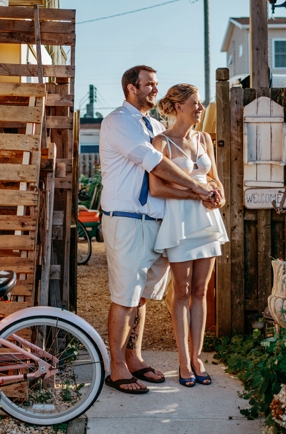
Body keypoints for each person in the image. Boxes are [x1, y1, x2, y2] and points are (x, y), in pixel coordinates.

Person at [99, 66, 218, 394]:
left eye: (156, 85)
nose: (155, 90)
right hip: (128, 218)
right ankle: (117, 367)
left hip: (157, 221)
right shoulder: (119, 122)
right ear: (130, 88)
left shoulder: (154, 125)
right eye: (148, 84)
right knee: (124, 296)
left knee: (143, 297)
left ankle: (134, 357)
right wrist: (197, 187)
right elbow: (155, 163)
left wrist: (203, 191)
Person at [149, 83, 228, 387]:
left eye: (201, 103)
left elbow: (214, 179)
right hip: (180, 220)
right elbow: (157, 188)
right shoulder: (161, 142)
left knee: (200, 291)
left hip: (207, 221)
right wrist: (195, 195)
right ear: (178, 106)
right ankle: (183, 360)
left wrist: (217, 195)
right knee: (180, 293)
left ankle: (198, 358)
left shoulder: (205, 138)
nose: (200, 108)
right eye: (195, 103)